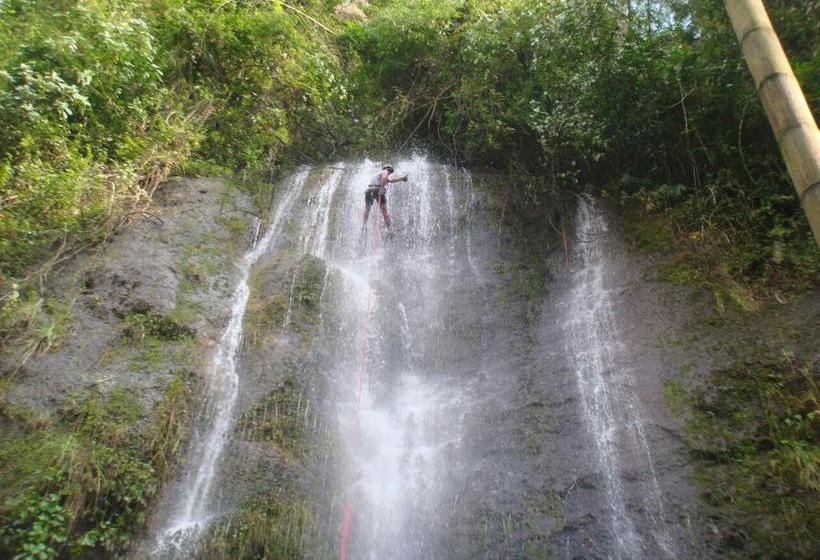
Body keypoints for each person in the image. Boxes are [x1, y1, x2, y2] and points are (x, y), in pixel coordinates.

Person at [363, 164, 408, 237]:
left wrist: (401, 178)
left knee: (367, 209)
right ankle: (390, 230)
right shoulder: (385, 171)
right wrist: (381, 189)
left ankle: (364, 226)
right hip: (377, 189)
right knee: (384, 211)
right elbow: (384, 178)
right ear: (388, 169)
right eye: (390, 172)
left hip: (369, 190)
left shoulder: (378, 174)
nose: (390, 173)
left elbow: (391, 180)